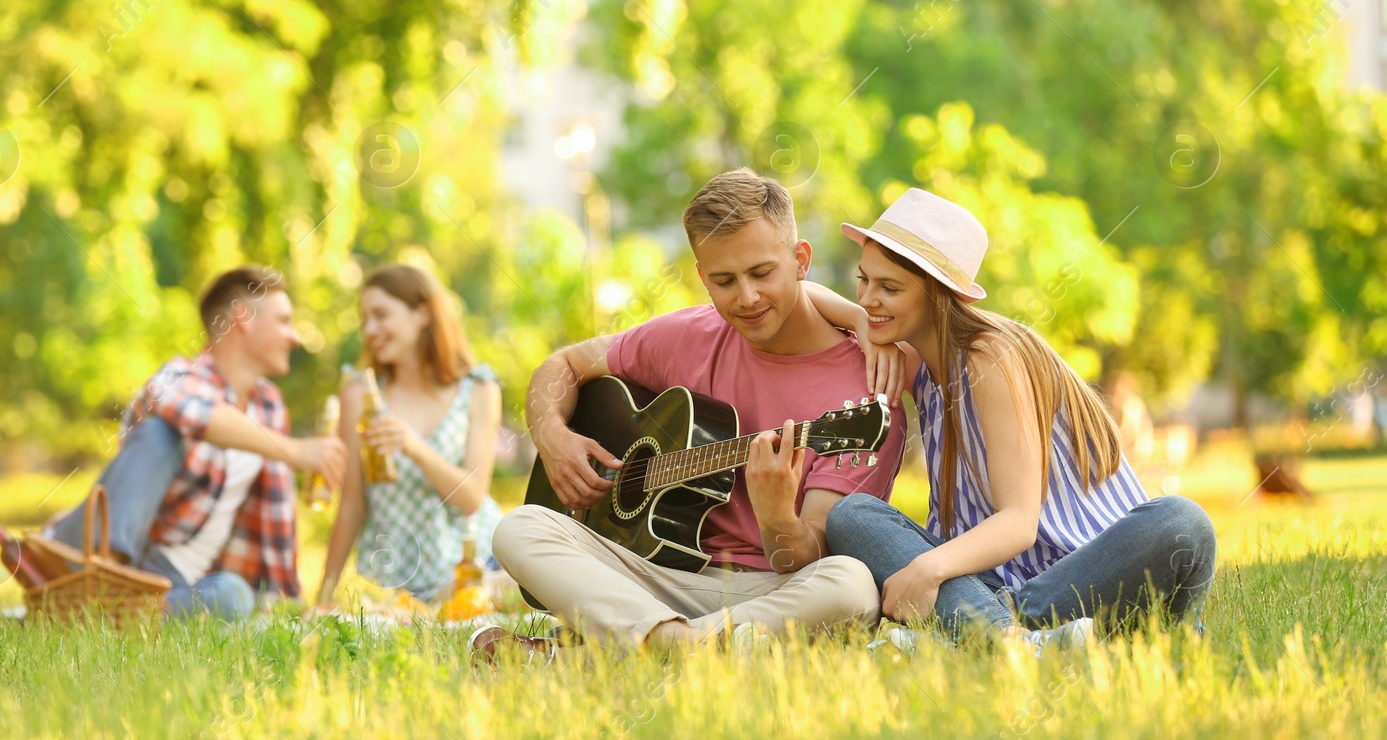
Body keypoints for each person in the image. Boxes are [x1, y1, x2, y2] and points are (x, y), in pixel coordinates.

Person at [474, 169, 910, 660]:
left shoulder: (865, 397)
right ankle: (683, 646)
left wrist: (775, 520)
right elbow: (564, 365)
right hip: (657, 577)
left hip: (766, 591)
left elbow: (807, 556)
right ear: (703, 278)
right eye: (724, 280)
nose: (746, 298)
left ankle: (627, 649)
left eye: (762, 273)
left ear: (800, 260)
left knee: (850, 585)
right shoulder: (690, 335)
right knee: (520, 527)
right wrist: (553, 436)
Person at [811, 187, 1217, 643]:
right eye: (863, 279)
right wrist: (863, 325)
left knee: (1184, 522)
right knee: (851, 516)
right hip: (990, 585)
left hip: (1083, 580)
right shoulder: (922, 366)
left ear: (939, 296)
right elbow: (804, 295)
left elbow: (1019, 523)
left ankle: (992, 634)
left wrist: (928, 567)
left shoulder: (990, 357)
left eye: (889, 288)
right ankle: (1022, 640)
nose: (867, 297)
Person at [40, 266, 348, 620]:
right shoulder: (179, 374)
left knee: (233, 596)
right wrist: (294, 450)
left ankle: (102, 613)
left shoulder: (270, 407)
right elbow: (185, 408)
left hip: (165, 578)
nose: (294, 336)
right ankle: (103, 583)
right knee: (160, 433)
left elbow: (274, 521)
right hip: (97, 547)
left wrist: (293, 605)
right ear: (244, 319)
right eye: (283, 321)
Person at [313, 264, 504, 607]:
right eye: (365, 319)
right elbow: (352, 505)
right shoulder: (359, 397)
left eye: (381, 315)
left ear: (422, 314)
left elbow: (472, 498)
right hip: (399, 584)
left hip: (478, 566)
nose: (370, 329)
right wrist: (324, 597)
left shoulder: (479, 390)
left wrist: (414, 447)